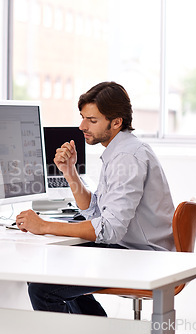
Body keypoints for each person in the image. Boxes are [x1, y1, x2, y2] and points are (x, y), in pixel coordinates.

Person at [15, 81, 175, 315]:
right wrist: (70, 173)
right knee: (43, 272)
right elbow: (98, 212)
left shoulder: (128, 157)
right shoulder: (119, 151)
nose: (82, 126)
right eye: (82, 117)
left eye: (92, 120)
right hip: (128, 249)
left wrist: (44, 226)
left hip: (144, 258)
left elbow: (109, 230)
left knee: (43, 289)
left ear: (116, 122)